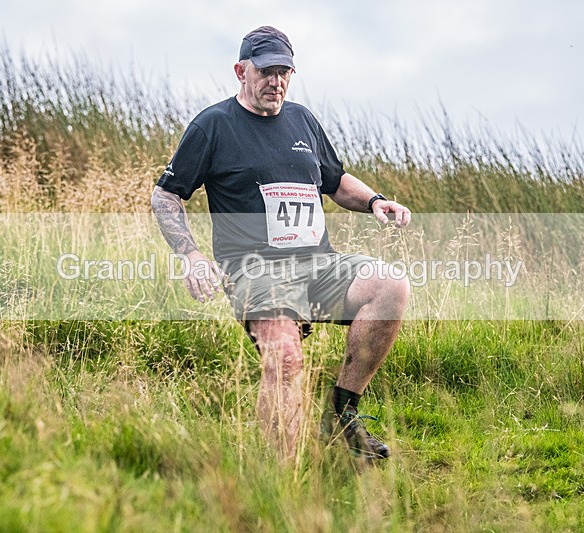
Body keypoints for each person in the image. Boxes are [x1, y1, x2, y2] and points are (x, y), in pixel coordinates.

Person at [151, 26, 411, 461]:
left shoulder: (303, 120)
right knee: (286, 359)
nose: (277, 81)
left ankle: (343, 413)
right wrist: (191, 256)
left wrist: (375, 201)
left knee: (392, 286)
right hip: (255, 270)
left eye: (284, 71)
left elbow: (335, 181)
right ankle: (284, 476)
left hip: (318, 265)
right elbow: (166, 194)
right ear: (240, 71)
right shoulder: (213, 125)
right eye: (267, 71)